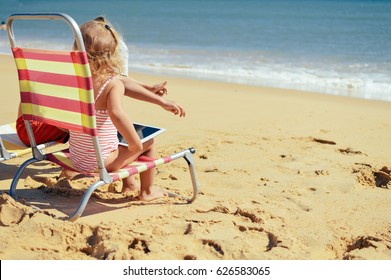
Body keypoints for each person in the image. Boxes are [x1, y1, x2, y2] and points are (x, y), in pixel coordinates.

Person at [16, 17, 184, 147]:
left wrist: (152, 91)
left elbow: (119, 80)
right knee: (106, 126)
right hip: (34, 130)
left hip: (30, 122)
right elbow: (118, 81)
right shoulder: (81, 76)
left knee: (101, 118)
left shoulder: (71, 69)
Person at [69, 18, 170, 201]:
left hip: (76, 158)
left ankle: (130, 184)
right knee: (148, 143)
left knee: (118, 140)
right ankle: (147, 192)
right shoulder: (111, 83)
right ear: (113, 53)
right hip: (102, 162)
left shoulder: (75, 81)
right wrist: (134, 143)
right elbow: (117, 113)